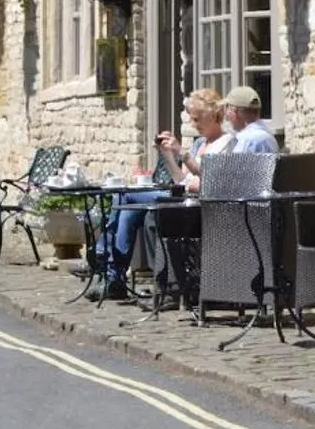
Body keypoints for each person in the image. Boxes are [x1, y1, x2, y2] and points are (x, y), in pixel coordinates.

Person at [91, 89, 226, 300]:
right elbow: (181, 179)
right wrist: (168, 154)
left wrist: (183, 153)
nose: (193, 124)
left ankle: (106, 262)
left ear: (213, 116)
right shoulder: (200, 143)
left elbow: (210, 180)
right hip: (182, 197)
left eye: (197, 119)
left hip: (200, 205)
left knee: (125, 196)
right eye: (191, 118)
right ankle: (114, 278)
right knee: (128, 207)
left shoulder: (225, 143)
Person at [217, 85, 279, 155]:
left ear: (235, 112)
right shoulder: (269, 137)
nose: (226, 113)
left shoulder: (246, 141)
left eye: (227, 107)